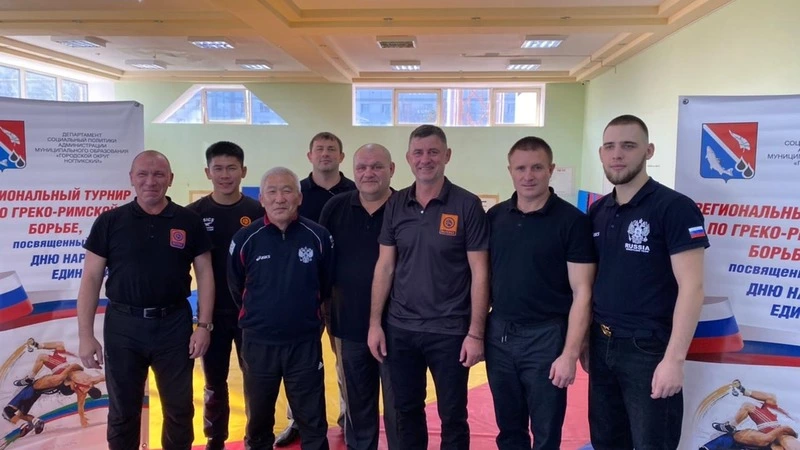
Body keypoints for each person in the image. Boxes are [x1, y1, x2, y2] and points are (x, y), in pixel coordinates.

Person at [77, 150, 214, 450]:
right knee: (123, 411)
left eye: (158, 174)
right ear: (131, 178)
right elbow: (91, 278)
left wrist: (204, 325)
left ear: (170, 179)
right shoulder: (110, 221)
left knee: (179, 410)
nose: (150, 181)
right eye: (143, 174)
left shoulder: (188, 221)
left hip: (174, 326)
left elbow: (205, 274)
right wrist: (85, 335)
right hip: (123, 328)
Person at [588, 115, 709, 449]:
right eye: (610, 147)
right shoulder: (599, 212)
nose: (617, 154)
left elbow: (692, 288)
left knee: (651, 443)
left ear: (648, 151)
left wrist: (674, 360)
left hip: (649, 350)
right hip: (602, 343)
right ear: (601, 153)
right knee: (606, 442)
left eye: (628, 146)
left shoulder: (675, 208)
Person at [368, 124, 490, 450]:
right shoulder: (396, 204)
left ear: (447, 155)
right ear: (409, 158)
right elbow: (385, 266)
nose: (426, 159)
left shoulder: (466, 205)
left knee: (453, 415)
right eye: (419, 153)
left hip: (450, 331)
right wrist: (375, 324)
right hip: (401, 329)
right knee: (406, 411)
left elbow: (480, 272)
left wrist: (476, 333)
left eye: (433, 152)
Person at [485, 136, 596, 450]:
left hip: (546, 337)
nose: (528, 175)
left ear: (551, 169)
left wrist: (569, 354)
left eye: (536, 167)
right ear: (510, 170)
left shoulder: (572, 222)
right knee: (509, 428)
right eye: (520, 168)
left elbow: (583, 292)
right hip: (499, 333)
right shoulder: (495, 218)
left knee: (546, 432)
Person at [228, 167, 333, 450]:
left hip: (304, 344)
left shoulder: (319, 236)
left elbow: (325, 285)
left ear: (299, 197)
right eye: (272, 192)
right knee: (258, 421)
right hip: (258, 344)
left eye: (287, 190)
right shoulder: (245, 238)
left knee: (312, 420)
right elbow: (237, 287)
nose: (279, 198)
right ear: (261, 198)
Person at [318, 143, 399, 450]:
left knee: (399, 405)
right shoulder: (335, 207)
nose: (369, 173)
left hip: (399, 326)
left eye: (377, 166)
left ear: (391, 170)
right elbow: (321, 263)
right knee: (357, 405)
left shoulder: (405, 207)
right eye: (362, 167)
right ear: (353, 171)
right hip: (348, 323)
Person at [276, 131, 354, 446]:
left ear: (341, 156)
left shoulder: (356, 192)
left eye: (331, 149)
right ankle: (298, 420)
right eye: (319, 149)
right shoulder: (296, 193)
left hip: (344, 294)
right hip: (302, 293)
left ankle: (350, 418)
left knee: (347, 361)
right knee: (299, 364)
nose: (325, 154)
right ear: (309, 156)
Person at [186, 141, 264, 450]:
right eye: (218, 169)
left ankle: (256, 438)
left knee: (255, 380)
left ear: (243, 171)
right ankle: (214, 439)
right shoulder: (194, 215)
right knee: (214, 382)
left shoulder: (258, 212)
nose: (225, 175)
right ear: (207, 173)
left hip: (252, 314)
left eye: (232, 168)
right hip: (212, 315)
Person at [711, 380, 800, 450]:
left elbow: (777, 434)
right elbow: (787, 431)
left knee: (748, 407)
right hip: (772, 430)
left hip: (771, 433)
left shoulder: (776, 438)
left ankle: (731, 426)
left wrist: (784, 430)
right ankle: (743, 391)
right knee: (754, 404)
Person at [13, 339, 77, 386]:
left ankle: (30, 379)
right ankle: (37, 345)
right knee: (60, 344)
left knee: (42, 357)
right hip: (64, 363)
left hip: (62, 369)